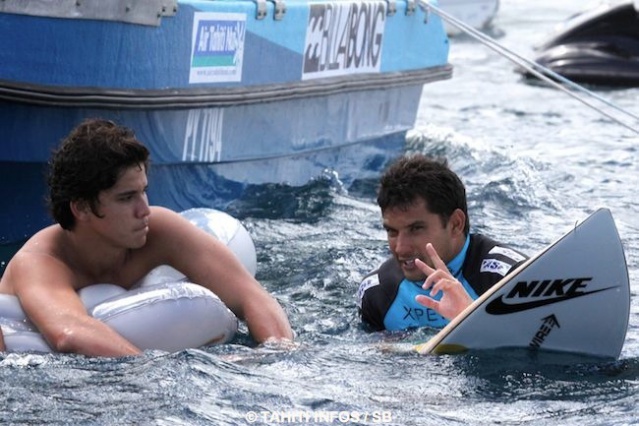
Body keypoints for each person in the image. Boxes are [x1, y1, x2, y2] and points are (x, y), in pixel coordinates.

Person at [0, 118, 293, 356]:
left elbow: (251, 295)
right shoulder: (40, 262)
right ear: (82, 208)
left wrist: (276, 354)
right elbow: (69, 333)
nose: (144, 210)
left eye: (144, 191)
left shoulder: (160, 230)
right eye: (127, 198)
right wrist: (155, 373)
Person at [357, 154, 528, 332]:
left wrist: (471, 320)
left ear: (455, 224)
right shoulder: (377, 294)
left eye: (416, 229)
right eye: (392, 231)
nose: (401, 248)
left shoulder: (511, 280)